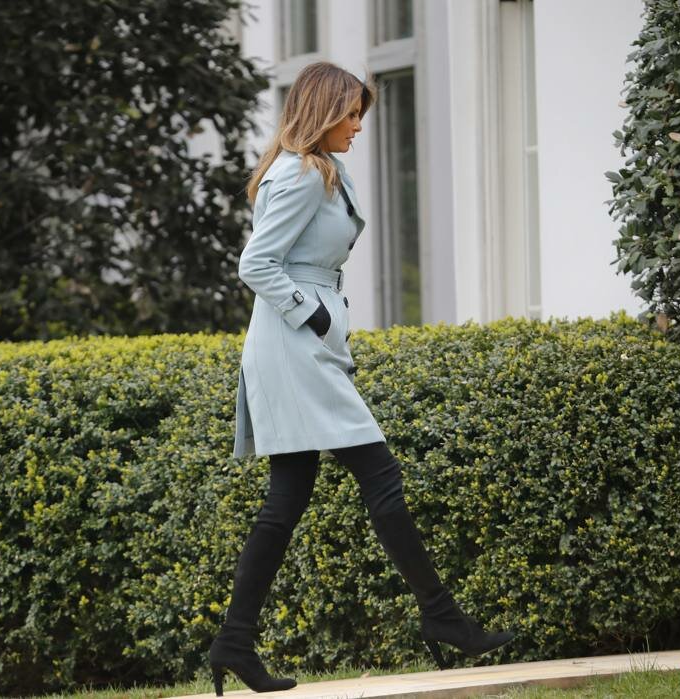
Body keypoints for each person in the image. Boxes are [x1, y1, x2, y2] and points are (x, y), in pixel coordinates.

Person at [208, 61, 514, 696]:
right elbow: (255, 264)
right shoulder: (301, 173)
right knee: (380, 476)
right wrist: (314, 315)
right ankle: (442, 617)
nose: (358, 126)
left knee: (287, 500)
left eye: (360, 115)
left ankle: (234, 642)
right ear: (323, 113)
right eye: (350, 114)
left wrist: (323, 321)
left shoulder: (321, 169)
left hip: (301, 343)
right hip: (294, 345)